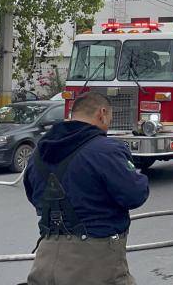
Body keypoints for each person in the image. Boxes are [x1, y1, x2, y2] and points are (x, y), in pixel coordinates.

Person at [24, 92, 149, 285]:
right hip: (97, 263)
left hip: (45, 261)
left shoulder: (39, 152)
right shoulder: (106, 150)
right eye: (110, 119)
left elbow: (33, 196)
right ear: (102, 113)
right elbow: (134, 195)